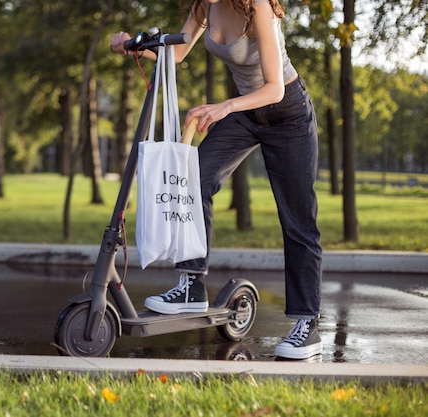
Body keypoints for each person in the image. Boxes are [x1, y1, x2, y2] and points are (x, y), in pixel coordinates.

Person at [111, 0, 323, 360]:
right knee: (196, 179)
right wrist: (135, 44)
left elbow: (275, 88)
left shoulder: (258, 6)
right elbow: (176, 55)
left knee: (298, 220)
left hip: (287, 114)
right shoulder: (203, 7)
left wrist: (222, 106)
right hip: (245, 113)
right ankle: (192, 284)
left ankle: (307, 325)